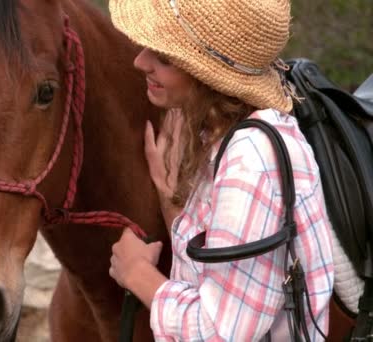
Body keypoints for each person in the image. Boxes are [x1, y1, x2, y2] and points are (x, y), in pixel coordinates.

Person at [107, 0, 334, 340]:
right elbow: (213, 273)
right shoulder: (222, 136)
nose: (140, 62)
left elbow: (219, 332)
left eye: (165, 57)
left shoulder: (251, 163)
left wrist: (137, 272)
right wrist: (172, 196)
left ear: (207, 74)